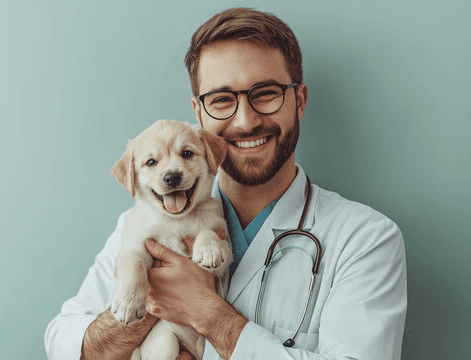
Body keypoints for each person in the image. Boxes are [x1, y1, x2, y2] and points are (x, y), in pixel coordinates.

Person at [45, 7, 407, 360]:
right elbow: (64, 341)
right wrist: (149, 303)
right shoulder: (142, 221)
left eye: (265, 93)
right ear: (198, 113)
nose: (246, 121)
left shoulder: (366, 239)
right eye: (222, 100)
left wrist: (207, 313)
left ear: (299, 100)